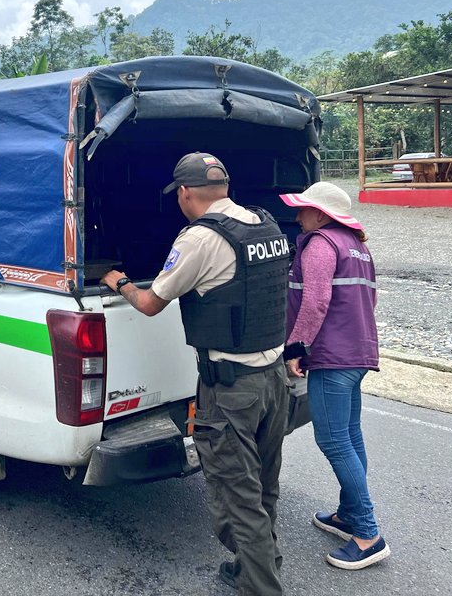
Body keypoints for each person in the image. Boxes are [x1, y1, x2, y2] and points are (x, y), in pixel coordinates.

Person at [103, 152, 292, 596]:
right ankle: (255, 566)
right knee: (263, 483)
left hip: (231, 389)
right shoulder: (263, 223)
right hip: (274, 379)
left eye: (179, 196)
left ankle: (262, 587)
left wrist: (118, 282)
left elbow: (151, 304)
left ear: (185, 193)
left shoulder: (199, 239)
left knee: (236, 495)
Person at [279, 181, 390, 570]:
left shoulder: (321, 244)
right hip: (359, 352)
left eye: (304, 210)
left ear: (322, 214)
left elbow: (316, 299)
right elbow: (367, 299)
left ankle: (367, 534)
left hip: (332, 357)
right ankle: (347, 513)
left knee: (333, 440)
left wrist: (297, 346)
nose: (297, 216)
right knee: (351, 434)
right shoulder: (358, 247)